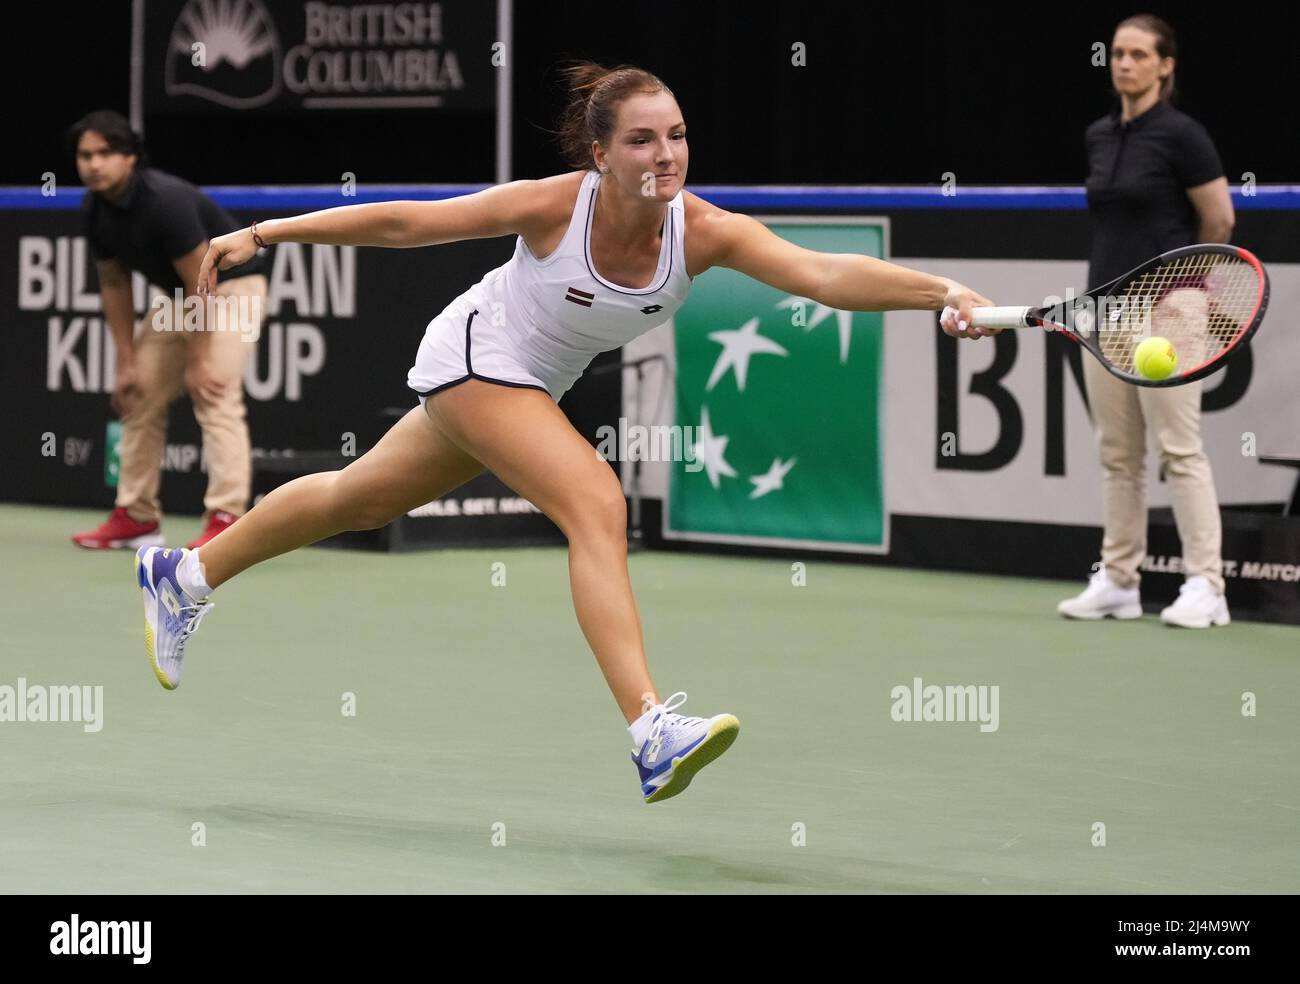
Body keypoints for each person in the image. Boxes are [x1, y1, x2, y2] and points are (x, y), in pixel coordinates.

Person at [133, 63, 995, 804]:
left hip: (531, 384)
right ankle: (651, 730)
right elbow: (408, 222)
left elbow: (825, 273)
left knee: (354, 502)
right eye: (642, 141)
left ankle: (187, 573)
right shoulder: (555, 207)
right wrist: (262, 231)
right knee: (595, 501)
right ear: (599, 154)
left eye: (678, 137)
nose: (665, 157)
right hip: (477, 356)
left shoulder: (705, 232)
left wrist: (941, 293)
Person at [1058, 16, 1235, 629]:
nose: (1124, 63)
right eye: (1117, 53)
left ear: (1166, 65)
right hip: (1103, 308)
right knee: (1118, 455)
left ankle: (1206, 586)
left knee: (1180, 450)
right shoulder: (1099, 135)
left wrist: (1187, 290)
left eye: (1139, 54)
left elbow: (1219, 220)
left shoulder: (1184, 136)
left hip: (1170, 309)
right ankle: (1119, 581)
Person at [68, 110, 269, 551]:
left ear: (130, 158)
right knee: (138, 392)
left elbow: (204, 278)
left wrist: (197, 362)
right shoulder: (94, 210)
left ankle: (227, 518)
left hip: (231, 287)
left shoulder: (164, 201)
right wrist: (125, 362)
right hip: (182, 297)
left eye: (105, 153)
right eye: (85, 155)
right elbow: (116, 284)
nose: (93, 164)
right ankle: (137, 517)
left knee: (213, 390)